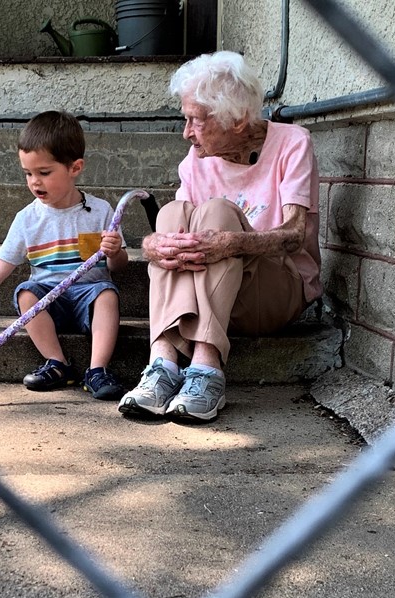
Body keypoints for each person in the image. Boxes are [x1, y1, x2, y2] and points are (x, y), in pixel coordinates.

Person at [118, 51, 321, 422]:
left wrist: (233, 242)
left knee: (217, 214)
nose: (186, 133)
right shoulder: (194, 161)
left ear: (239, 120)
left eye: (196, 121)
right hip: (212, 294)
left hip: (275, 290)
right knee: (172, 215)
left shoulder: (292, 143)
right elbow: (175, 234)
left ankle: (207, 370)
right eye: (186, 119)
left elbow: (294, 235)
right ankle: (162, 365)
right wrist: (151, 246)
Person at [0, 110, 130, 400]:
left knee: (107, 294)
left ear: (75, 168)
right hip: (48, 300)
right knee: (26, 293)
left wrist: (114, 253)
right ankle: (57, 364)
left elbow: (119, 265)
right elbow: (0, 264)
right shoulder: (27, 219)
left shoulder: (100, 211)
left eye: (44, 173)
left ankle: (97, 370)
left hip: (88, 296)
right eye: (28, 173)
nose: (34, 182)